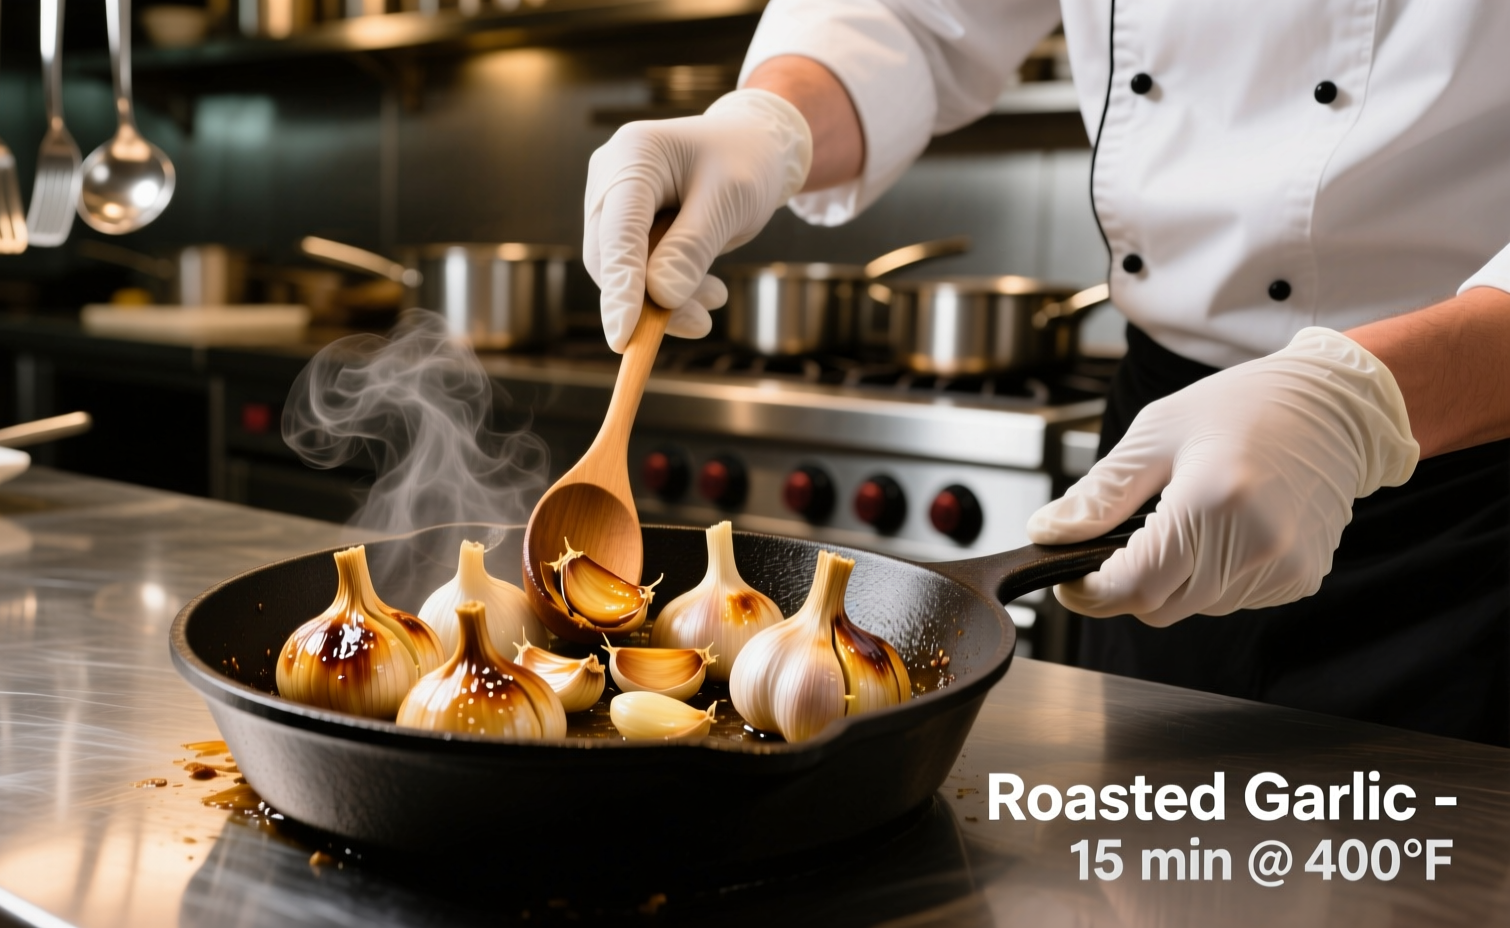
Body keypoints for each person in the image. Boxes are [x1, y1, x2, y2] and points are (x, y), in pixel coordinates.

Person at [581, 1, 1510, 745]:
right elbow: (914, 18)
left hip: (1472, 482)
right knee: (1151, 868)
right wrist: (767, 122)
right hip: (1165, 443)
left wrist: (1363, 402)